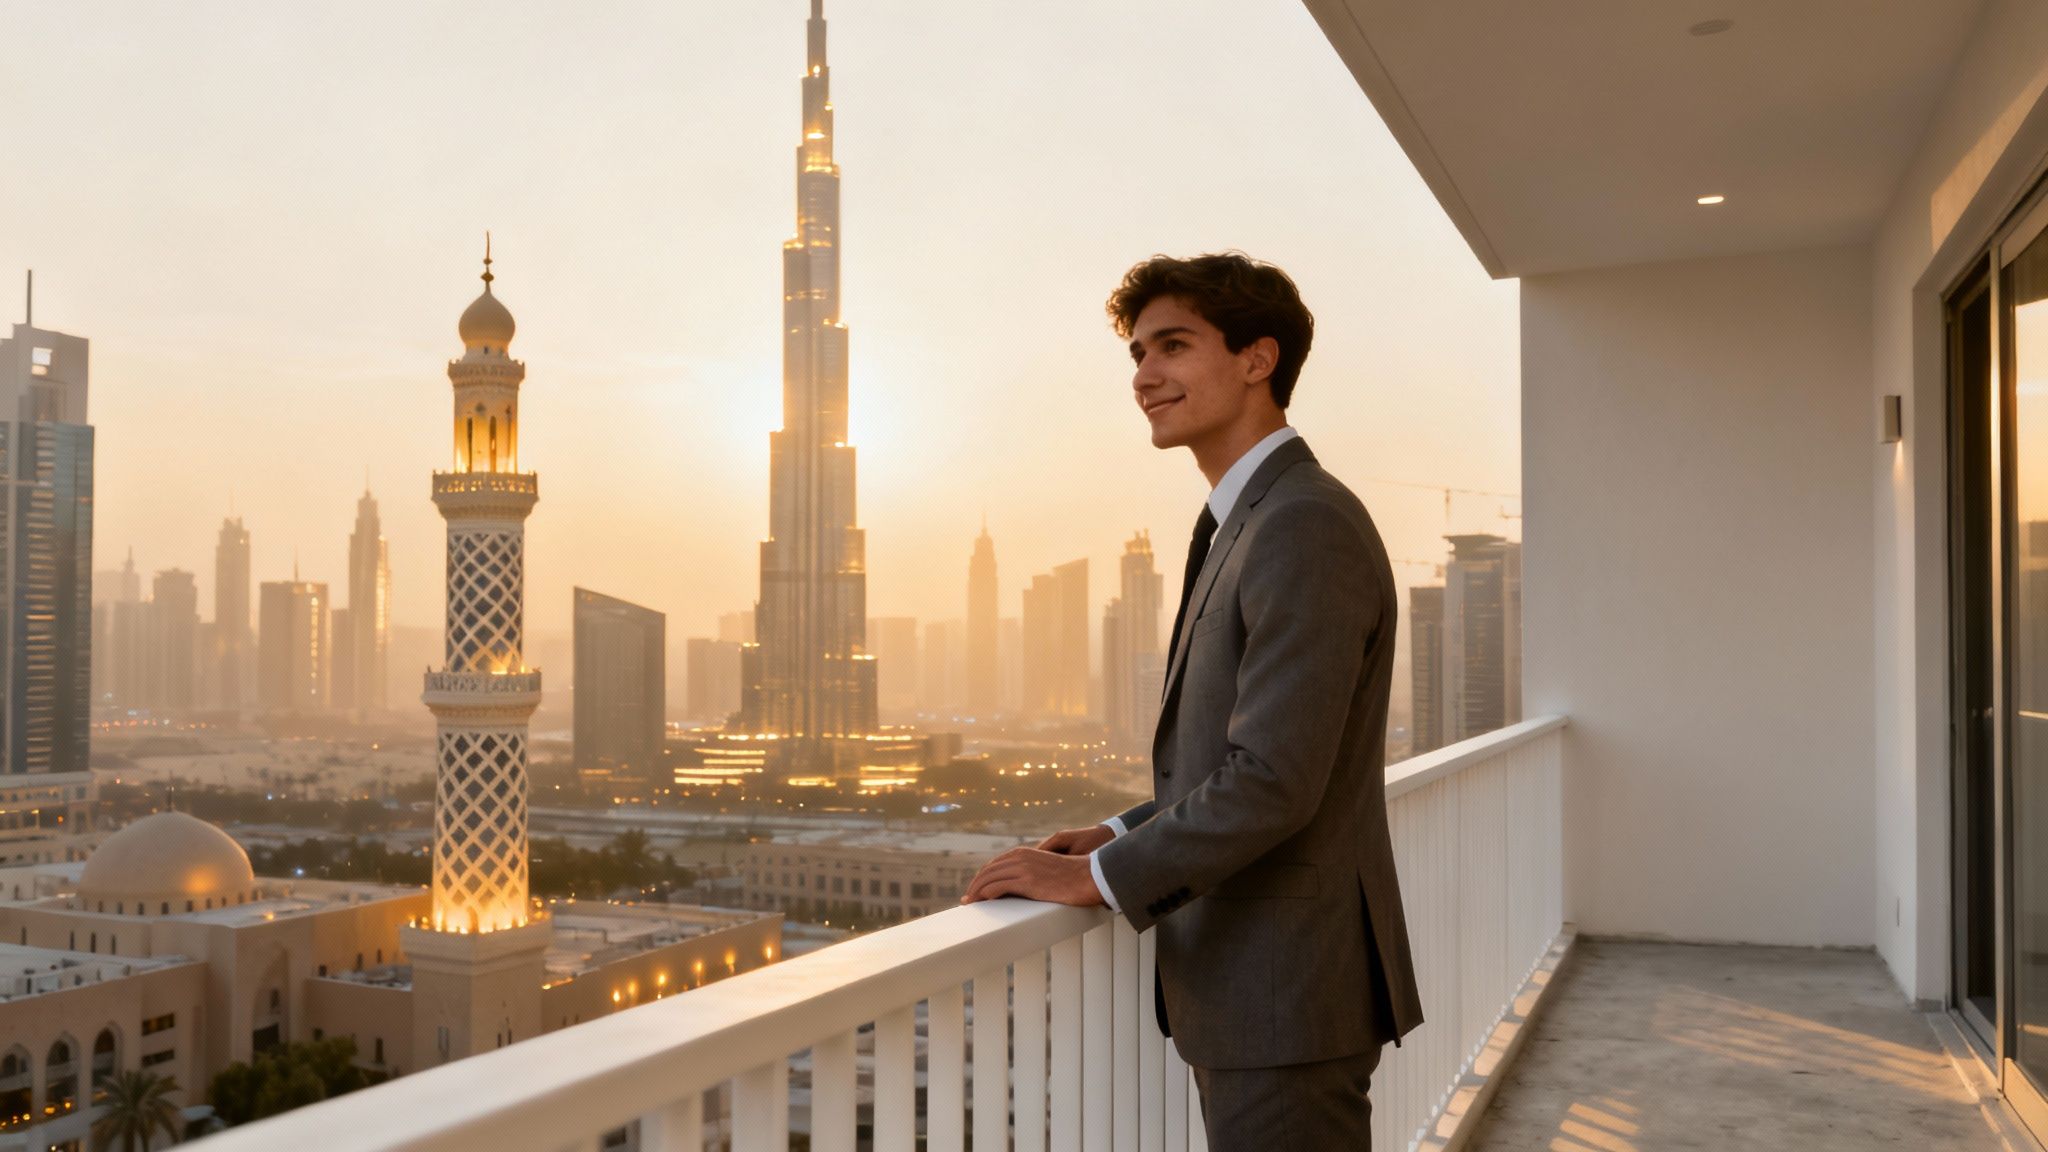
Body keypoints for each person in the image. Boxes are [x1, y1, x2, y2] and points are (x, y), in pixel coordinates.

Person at [961, 252, 1422, 1146]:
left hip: (1286, 989)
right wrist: (1121, 832)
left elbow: (1275, 778)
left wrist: (1094, 880)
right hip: (1261, 986)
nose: (1144, 376)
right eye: (1138, 353)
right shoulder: (1243, 520)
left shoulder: (1301, 521)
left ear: (1257, 358)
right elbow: (1234, 752)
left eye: (1173, 346)